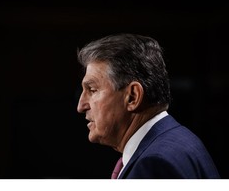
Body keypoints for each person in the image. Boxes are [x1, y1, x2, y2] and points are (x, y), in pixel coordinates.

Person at [76, 33, 220, 179]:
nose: (81, 106)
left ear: (133, 97)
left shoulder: (154, 164)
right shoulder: (179, 141)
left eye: (92, 90)